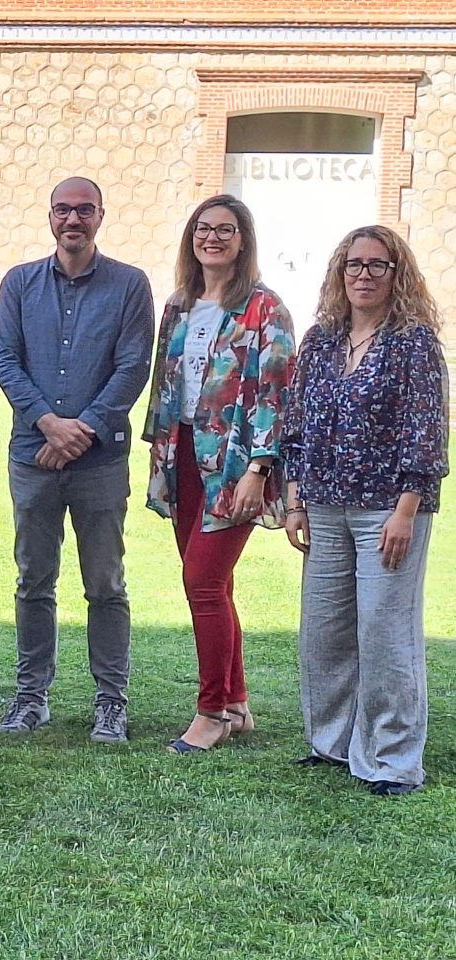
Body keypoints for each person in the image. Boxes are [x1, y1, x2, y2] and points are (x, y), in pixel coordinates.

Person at [283, 225, 448, 796]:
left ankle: (393, 760)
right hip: (324, 506)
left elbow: (426, 432)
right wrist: (296, 499)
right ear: (339, 273)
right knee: (324, 632)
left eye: (378, 266)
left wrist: (407, 509)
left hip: (388, 509)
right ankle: (331, 743)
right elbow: (298, 424)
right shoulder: (321, 340)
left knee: (385, 633)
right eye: (355, 265)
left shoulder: (413, 342)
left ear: (396, 276)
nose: (364, 276)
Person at [0, 176, 153, 743]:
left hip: (99, 461)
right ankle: (31, 697)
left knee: (105, 583)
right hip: (33, 455)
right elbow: (5, 359)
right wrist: (48, 424)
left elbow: (133, 366)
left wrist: (81, 430)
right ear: (51, 217)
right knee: (34, 580)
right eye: (63, 210)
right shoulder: (19, 283)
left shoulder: (130, 285)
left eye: (84, 210)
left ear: (101, 216)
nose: (73, 220)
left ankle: (111, 701)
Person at [140, 196, 296, 754]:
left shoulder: (265, 308)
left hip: (235, 464)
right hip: (182, 455)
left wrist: (260, 468)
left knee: (202, 583)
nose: (213, 238)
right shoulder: (179, 305)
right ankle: (236, 704)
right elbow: (166, 385)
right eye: (204, 229)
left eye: (225, 230)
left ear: (243, 240)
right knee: (214, 585)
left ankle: (209, 713)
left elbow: (277, 393)